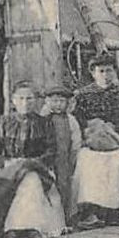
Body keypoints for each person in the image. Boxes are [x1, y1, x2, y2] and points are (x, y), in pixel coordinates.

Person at [0, 81, 64, 238]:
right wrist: (3, 162)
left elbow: (51, 151)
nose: (25, 103)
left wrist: (33, 163)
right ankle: (11, 229)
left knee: (30, 181)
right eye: (21, 98)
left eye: (30, 99)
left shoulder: (44, 123)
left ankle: (29, 228)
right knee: (12, 180)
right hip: (8, 166)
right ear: (13, 101)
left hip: (37, 167)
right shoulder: (2, 122)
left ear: (36, 101)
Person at [40, 85, 82, 224]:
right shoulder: (43, 119)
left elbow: (76, 140)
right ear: (47, 102)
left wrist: (74, 156)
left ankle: (67, 217)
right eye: (54, 101)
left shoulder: (70, 120)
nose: (58, 105)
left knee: (64, 185)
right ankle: (50, 219)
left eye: (61, 101)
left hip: (64, 158)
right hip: (48, 157)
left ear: (67, 103)